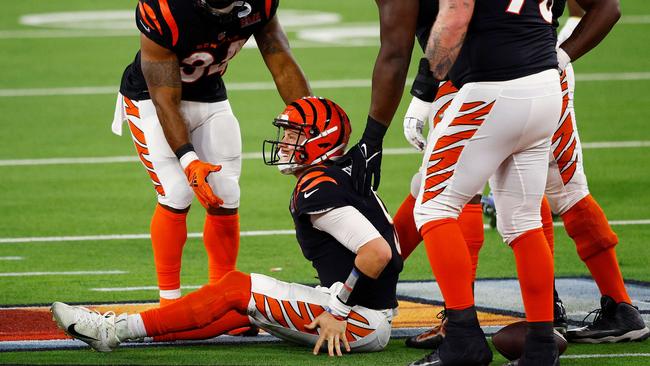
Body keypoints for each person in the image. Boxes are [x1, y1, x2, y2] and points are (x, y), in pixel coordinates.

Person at [53, 97, 403, 356]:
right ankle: (137, 328)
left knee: (236, 287)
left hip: (359, 320)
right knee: (233, 307)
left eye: (294, 135)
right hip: (363, 309)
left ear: (320, 139)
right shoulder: (339, 173)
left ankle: (111, 331)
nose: (283, 143)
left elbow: (377, 252)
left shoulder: (317, 186)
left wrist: (337, 311)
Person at [110, 0, 311, 313]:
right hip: (150, 97)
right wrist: (189, 161)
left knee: (226, 192)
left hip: (208, 92)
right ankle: (169, 305)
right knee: (177, 192)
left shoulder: (261, 3)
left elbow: (281, 59)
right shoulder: (165, 10)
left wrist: (311, 118)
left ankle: (222, 298)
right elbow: (165, 99)